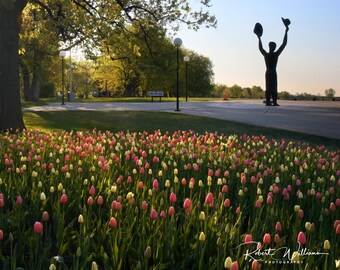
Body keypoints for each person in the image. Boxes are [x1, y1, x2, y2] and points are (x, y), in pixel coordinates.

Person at [257, 22, 289, 106]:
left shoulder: (266, 55)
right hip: (273, 72)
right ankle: (274, 102)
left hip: (268, 72)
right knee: (274, 87)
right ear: (274, 47)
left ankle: (268, 101)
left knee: (268, 87)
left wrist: (259, 38)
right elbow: (284, 44)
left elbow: (260, 48)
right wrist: (286, 32)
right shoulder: (275, 54)